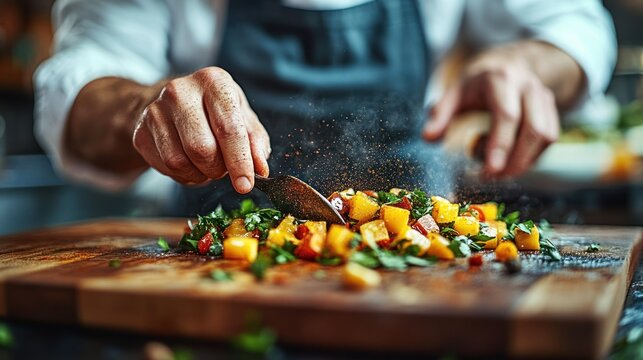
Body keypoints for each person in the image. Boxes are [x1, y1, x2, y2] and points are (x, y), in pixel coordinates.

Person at [34, 0, 616, 215]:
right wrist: (143, 107)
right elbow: (75, 85)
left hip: (422, 224)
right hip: (205, 236)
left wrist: (530, 64)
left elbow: (576, 25)